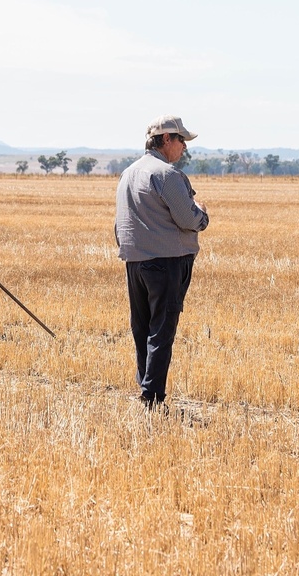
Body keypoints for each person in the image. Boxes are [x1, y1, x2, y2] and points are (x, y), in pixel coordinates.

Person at [114, 115, 210, 408]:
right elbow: (188, 218)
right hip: (167, 262)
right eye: (181, 140)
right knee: (161, 330)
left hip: (134, 261)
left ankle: (145, 387)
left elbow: (120, 223)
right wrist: (203, 213)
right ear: (166, 140)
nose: (184, 147)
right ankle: (152, 396)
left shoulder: (128, 174)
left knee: (141, 328)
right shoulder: (168, 175)